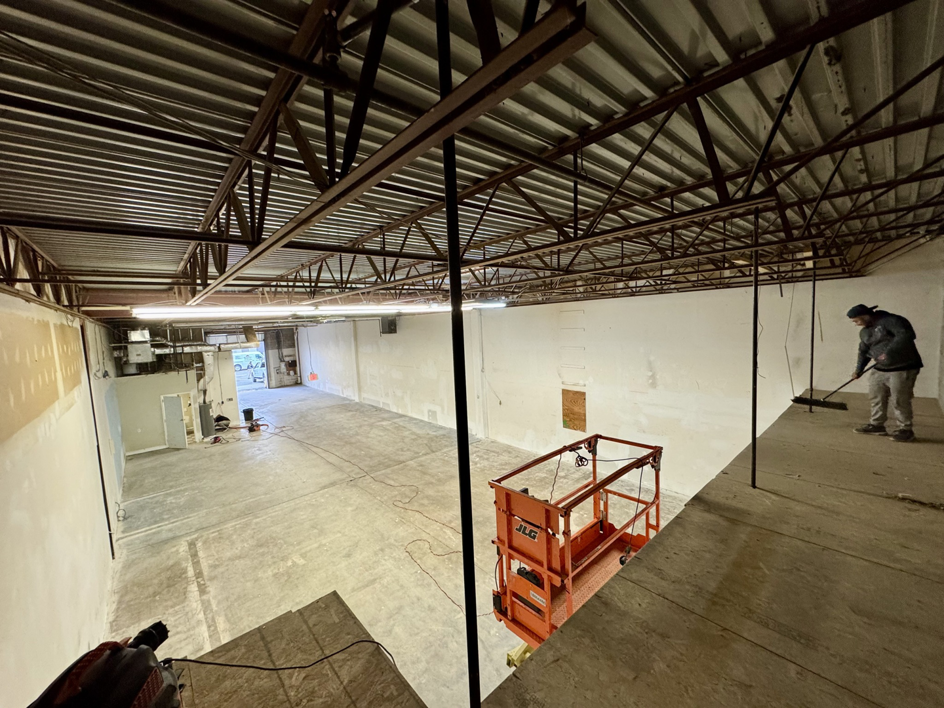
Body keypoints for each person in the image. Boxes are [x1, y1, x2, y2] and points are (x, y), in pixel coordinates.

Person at [847, 304, 923, 442]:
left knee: (900, 399)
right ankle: (877, 425)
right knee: (876, 397)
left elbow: (906, 335)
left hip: (902, 367)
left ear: (865, 315)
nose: (856, 324)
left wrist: (888, 352)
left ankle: (906, 429)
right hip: (879, 369)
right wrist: (859, 370)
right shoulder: (865, 332)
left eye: (857, 320)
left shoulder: (891, 320)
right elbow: (863, 351)